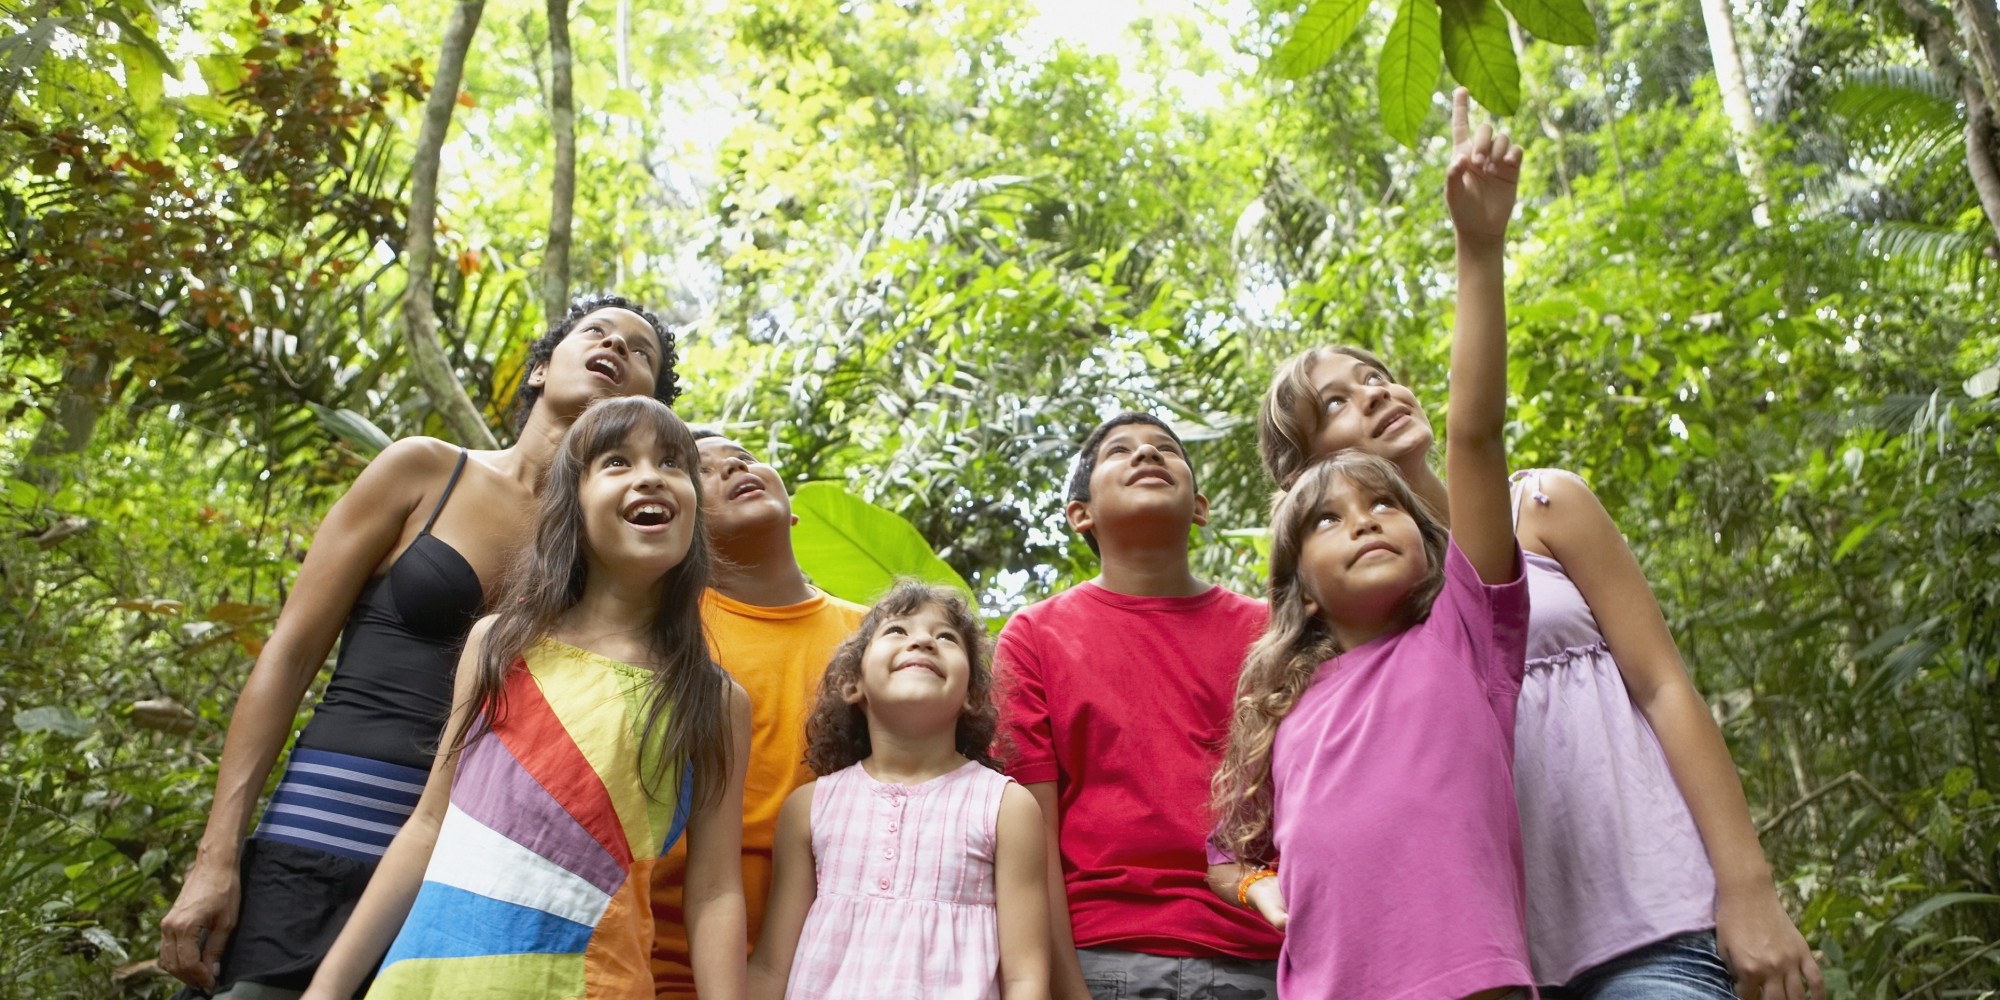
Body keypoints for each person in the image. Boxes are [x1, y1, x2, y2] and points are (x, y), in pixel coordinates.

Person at [1250, 89, 1824, 1000]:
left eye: (1378, 375)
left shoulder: (1539, 508)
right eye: (1337, 401)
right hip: (1491, 958)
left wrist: (1747, 889)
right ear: (1303, 485)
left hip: (1646, 918)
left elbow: (1662, 685)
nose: (1375, 394)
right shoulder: (1345, 634)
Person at [159, 295, 678, 999]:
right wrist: (215, 856)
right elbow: (286, 657)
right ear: (537, 370)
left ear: (651, 407)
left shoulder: (619, 557)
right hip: (318, 835)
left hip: (465, 886)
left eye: (639, 350)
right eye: (597, 333)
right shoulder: (426, 472)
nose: (616, 347)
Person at [1207, 92, 1533, 997]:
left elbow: (1474, 438)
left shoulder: (1468, 634)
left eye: (1382, 508)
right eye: (1327, 518)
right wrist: (1261, 889)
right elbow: (1225, 851)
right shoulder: (1284, 707)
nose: (1363, 522)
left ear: (1431, 545)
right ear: (1299, 588)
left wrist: (1479, 248)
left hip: (1474, 980)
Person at [298, 395, 750, 1000]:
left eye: (673, 463)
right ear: (573, 504)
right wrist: (326, 990)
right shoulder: (498, 645)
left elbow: (715, 891)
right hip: (423, 981)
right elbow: (428, 825)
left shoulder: (714, 699)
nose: (650, 475)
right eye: (617, 461)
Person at [996, 412, 1282, 1000]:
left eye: (1165, 449)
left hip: (1264, 953)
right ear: (1082, 515)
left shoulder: (1272, 631)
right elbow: (1032, 837)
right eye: (1120, 451)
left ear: (1199, 507)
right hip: (1104, 955)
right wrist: (1066, 988)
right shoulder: (1034, 636)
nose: (1147, 455)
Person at [747, 581, 1049, 999]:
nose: (924, 640)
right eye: (897, 631)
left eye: (946, 637)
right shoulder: (810, 807)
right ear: (852, 684)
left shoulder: (1005, 806)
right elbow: (771, 965)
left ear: (973, 697)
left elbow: (1026, 977)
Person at [648, 431, 868, 998]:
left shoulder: (877, 637)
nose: (732, 469)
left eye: (744, 457)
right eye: (703, 470)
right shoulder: (658, 634)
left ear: (794, 515)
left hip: (838, 961)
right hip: (664, 959)